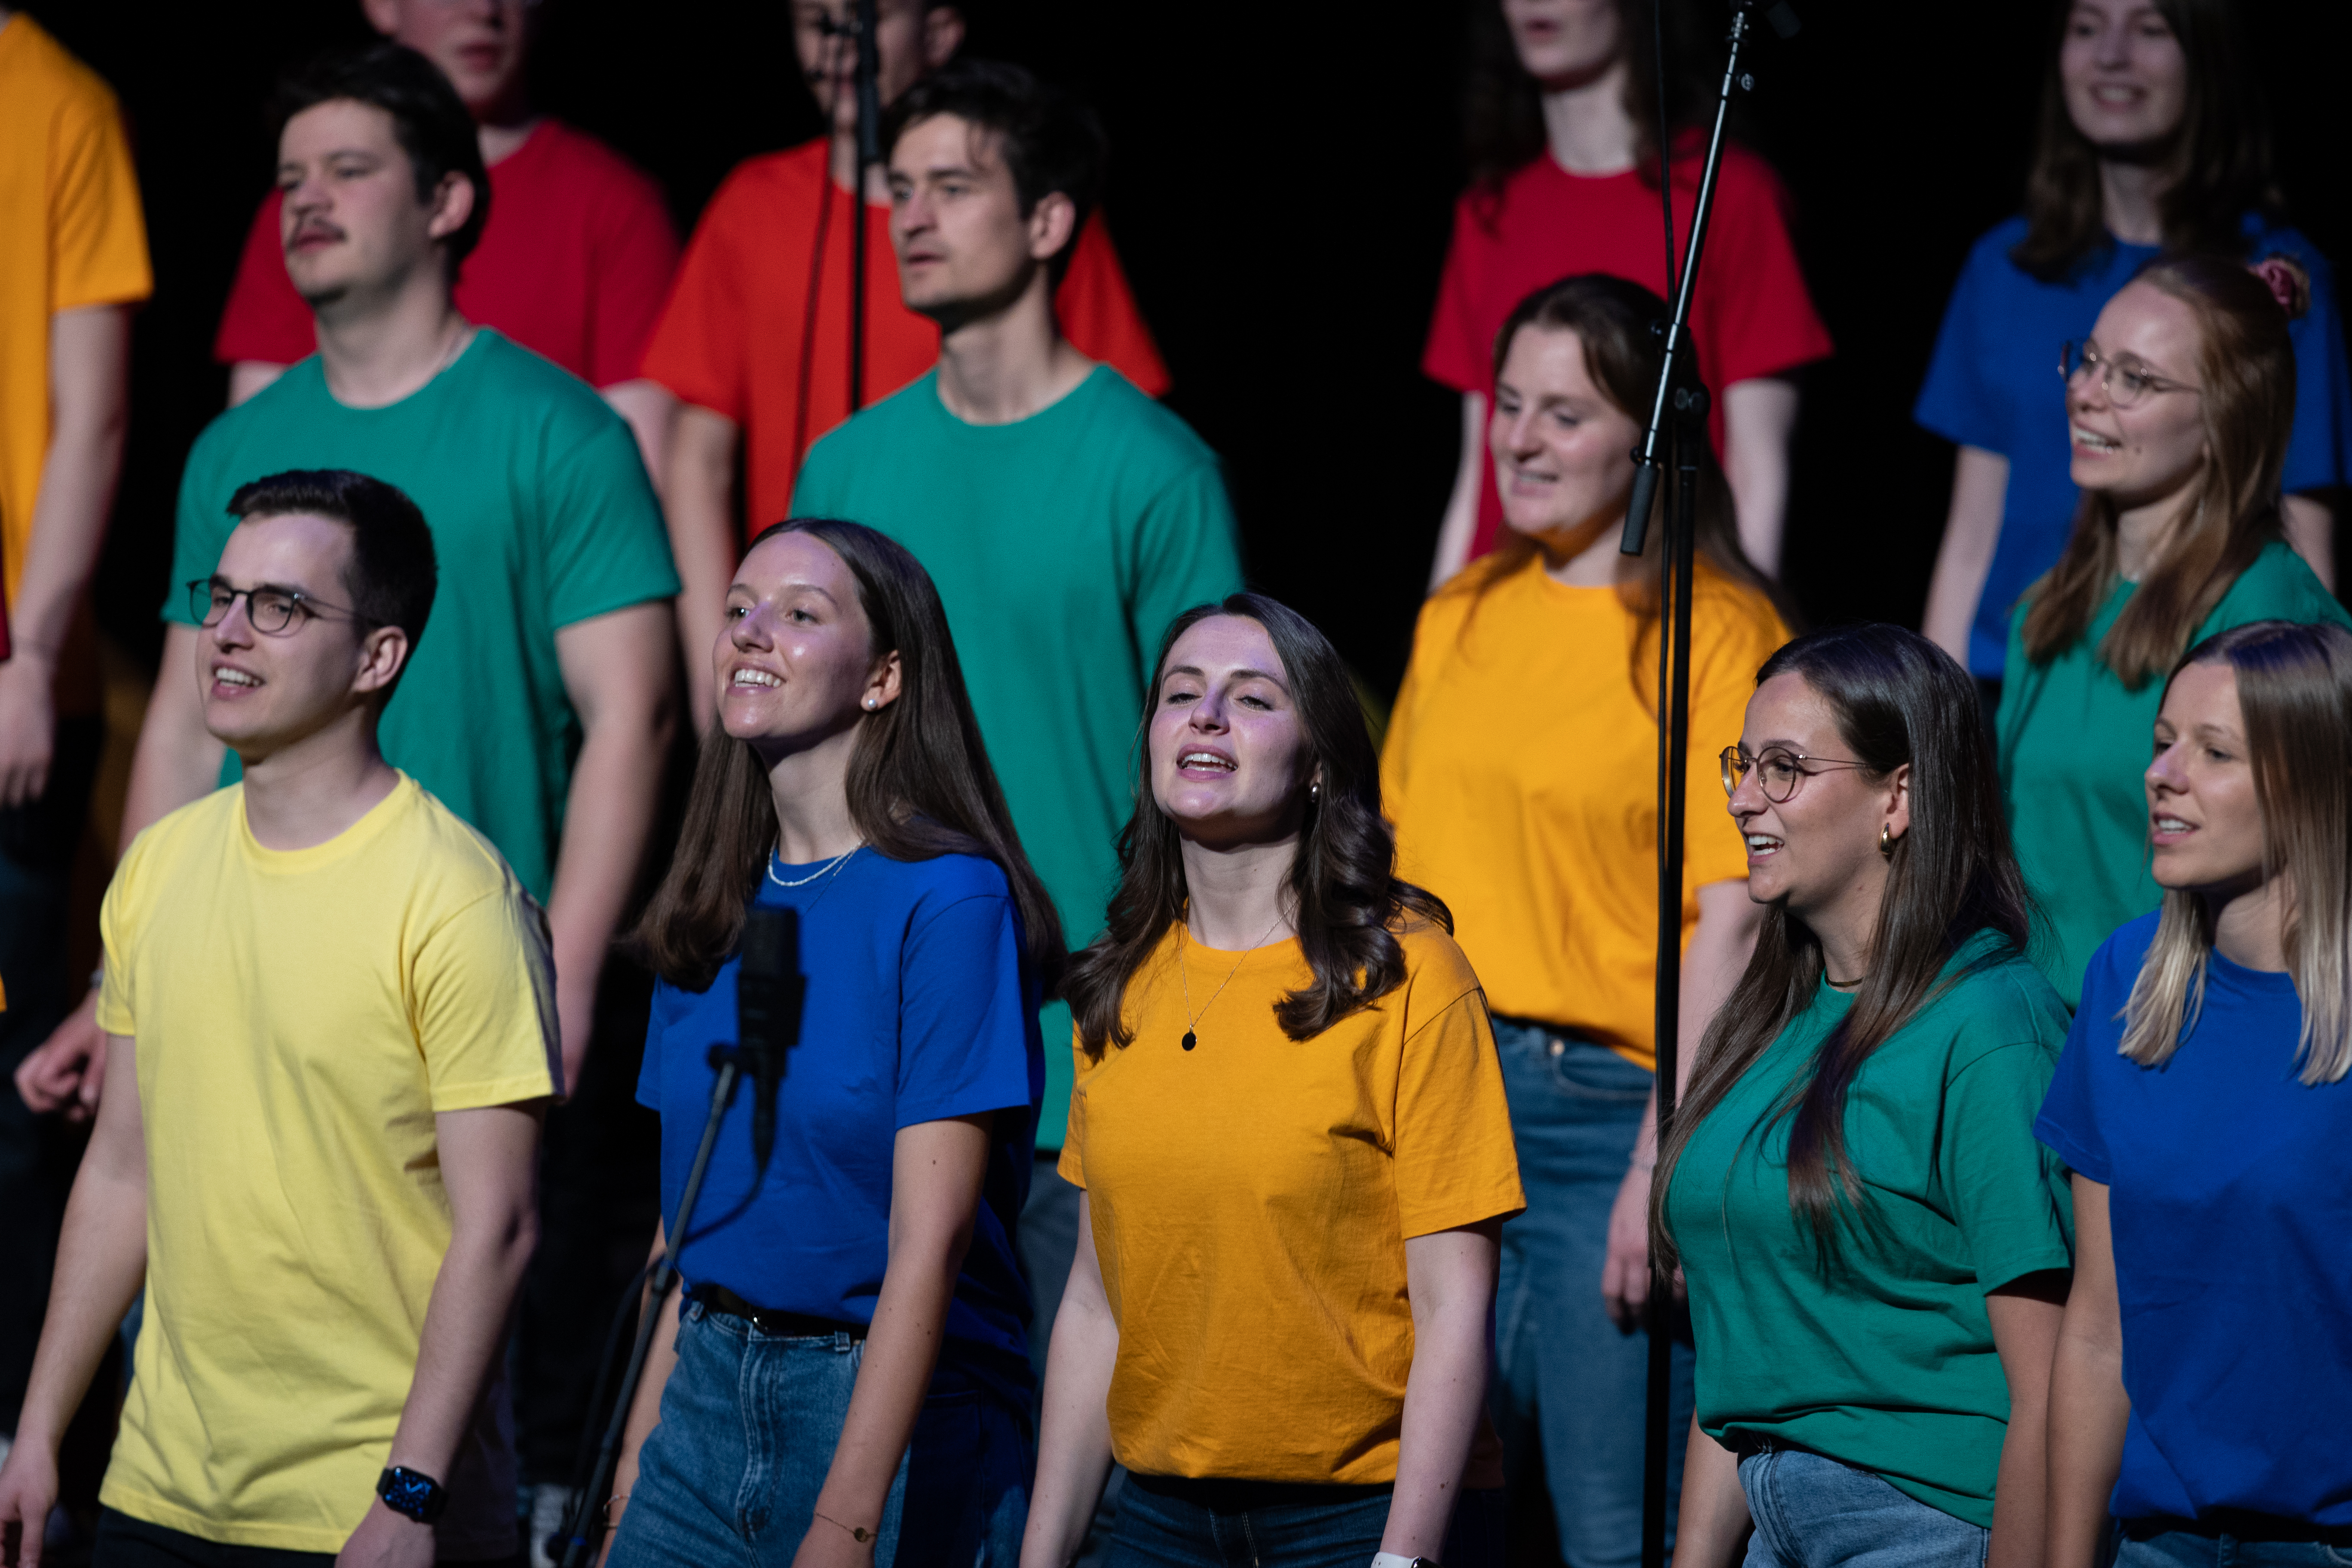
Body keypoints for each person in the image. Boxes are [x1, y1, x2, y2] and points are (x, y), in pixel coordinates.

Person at [17, 43, 677, 1184]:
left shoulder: (563, 435)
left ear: (447, 200)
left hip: (443, 994)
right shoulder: (234, 447)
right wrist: (114, 984)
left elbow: (638, 719)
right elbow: (180, 728)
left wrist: (561, 981)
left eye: (348, 169)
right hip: (230, 976)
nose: (308, 198)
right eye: (290, 179)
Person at [0, 469, 557, 1567]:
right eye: (221, 596)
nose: (227, 632)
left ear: (378, 658)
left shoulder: (456, 899)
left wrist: (411, 1494)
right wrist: (38, 1434)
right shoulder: (156, 867)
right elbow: (121, 1170)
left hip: (364, 1513)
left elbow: (499, 1226)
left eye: (281, 606)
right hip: (159, 1494)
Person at [789, 58, 1243, 1386]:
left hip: (1079, 1052)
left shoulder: (1153, 470)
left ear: (1049, 221)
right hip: (866, 1048)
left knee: (1064, 1451)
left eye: (954, 186)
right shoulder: (848, 466)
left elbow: (1218, 772)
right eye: (900, 191)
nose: (912, 217)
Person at [1380, 273, 1783, 1568]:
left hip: (1600, 1104)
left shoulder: (1717, 630)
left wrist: (1662, 1145)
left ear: (1649, 435)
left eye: (1567, 411)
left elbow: (1733, 915)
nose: (1523, 438)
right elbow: (1391, 872)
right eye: (1509, 405)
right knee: (1438, 1507)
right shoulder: (1463, 610)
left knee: (1617, 1529)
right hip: (1434, 1090)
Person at [1022, 594, 1523, 1568]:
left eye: (1251, 699)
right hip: (1160, 1521)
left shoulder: (1408, 975)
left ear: (1319, 764)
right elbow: (1093, 1303)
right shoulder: (1117, 982)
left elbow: (1454, 1306)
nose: (1205, 716)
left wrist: (1402, 1558)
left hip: (1360, 1520)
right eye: (1180, 694)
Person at [603, 518, 1057, 1568]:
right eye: (737, 610)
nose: (751, 633)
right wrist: (630, 1482)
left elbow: (928, 1247)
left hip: (884, 1411)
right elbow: (678, 1235)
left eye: (799, 614)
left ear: (883, 678)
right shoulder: (713, 900)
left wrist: (842, 1527)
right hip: (701, 1398)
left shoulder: (948, 901)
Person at [1660, 624, 2076, 1568]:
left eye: (1784, 769)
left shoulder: (1991, 1027)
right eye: (1741, 764)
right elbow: (1747, 1347)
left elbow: (2052, 1388)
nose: (1740, 797)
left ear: (1900, 796)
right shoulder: (1770, 1016)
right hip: (1773, 1522)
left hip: (1929, 1528)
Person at [644, 0, 1168, 711]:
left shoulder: (1020, 219)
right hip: (822, 653)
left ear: (940, 31)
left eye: (867, 17)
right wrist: (724, 679)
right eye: (815, 22)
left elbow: (1118, 430)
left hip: (999, 642)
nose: (840, 44)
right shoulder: (753, 205)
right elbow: (698, 459)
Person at [1917, 0, 2349, 698]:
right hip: (2013, 684)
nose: (2111, 56)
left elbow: (2303, 538)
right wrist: (1934, 724)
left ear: (2205, 58)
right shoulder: (2004, 264)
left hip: (2187, 684)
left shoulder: (2274, 281)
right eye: (2086, 27)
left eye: (2150, 29)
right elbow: (1969, 535)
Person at [2039, 620, 2352, 1568]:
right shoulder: (2128, 984)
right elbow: (2098, 1332)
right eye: (2163, 741)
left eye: (2214, 753)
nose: (2163, 775)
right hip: (2160, 1545)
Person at [1996, 253, 2352, 1005]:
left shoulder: (2269, 612)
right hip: (2033, 1038)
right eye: (2087, 361)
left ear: (2225, 418)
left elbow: (2306, 881)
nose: (2086, 394)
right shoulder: (2046, 611)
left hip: (2166, 1036)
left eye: (2134, 379)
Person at [1422, 0, 1831, 586]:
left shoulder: (1733, 197)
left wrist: (1747, 650)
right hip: (1502, 614)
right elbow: (1474, 474)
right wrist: (1434, 641)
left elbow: (1758, 468)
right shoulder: (1488, 211)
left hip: (1657, 615)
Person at [215, 0, 682, 486]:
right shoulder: (308, 215)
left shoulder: (616, 204)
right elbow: (249, 461)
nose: (484, 9)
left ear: (448, 206)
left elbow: (634, 479)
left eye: (350, 172)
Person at [0, 2, 148, 1472]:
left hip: (11, 688)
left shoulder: (54, 99)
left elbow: (92, 413)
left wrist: (33, 649)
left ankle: (17, 1443)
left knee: (10, 1100)